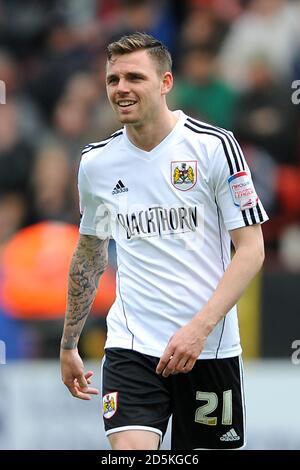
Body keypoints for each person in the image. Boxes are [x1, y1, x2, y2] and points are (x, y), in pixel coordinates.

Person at [60, 32, 268, 450]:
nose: (121, 88)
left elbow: (251, 249)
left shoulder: (213, 148)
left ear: (166, 82)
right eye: (113, 79)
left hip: (209, 348)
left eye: (134, 77)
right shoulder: (96, 164)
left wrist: (199, 329)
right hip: (132, 346)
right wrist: (69, 343)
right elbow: (90, 255)